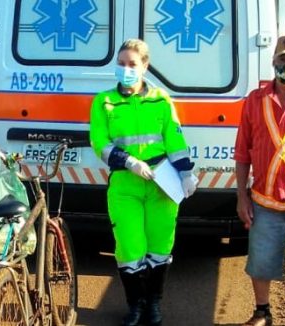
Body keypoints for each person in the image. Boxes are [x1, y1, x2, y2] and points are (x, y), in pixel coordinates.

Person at [89, 39, 198, 326]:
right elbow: (98, 142)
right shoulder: (104, 101)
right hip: (125, 185)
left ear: (145, 67)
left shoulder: (161, 99)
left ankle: (153, 305)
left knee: (161, 247)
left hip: (162, 184)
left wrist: (186, 172)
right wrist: (128, 161)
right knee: (129, 248)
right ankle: (134, 306)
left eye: (132, 64)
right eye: (121, 63)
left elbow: (175, 139)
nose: (126, 69)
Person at [234, 34, 285, 326]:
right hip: (265, 201)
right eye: (283, 58)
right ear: (273, 60)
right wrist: (242, 197)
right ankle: (262, 312)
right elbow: (242, 150)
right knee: (260, 262)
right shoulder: (255, 100)